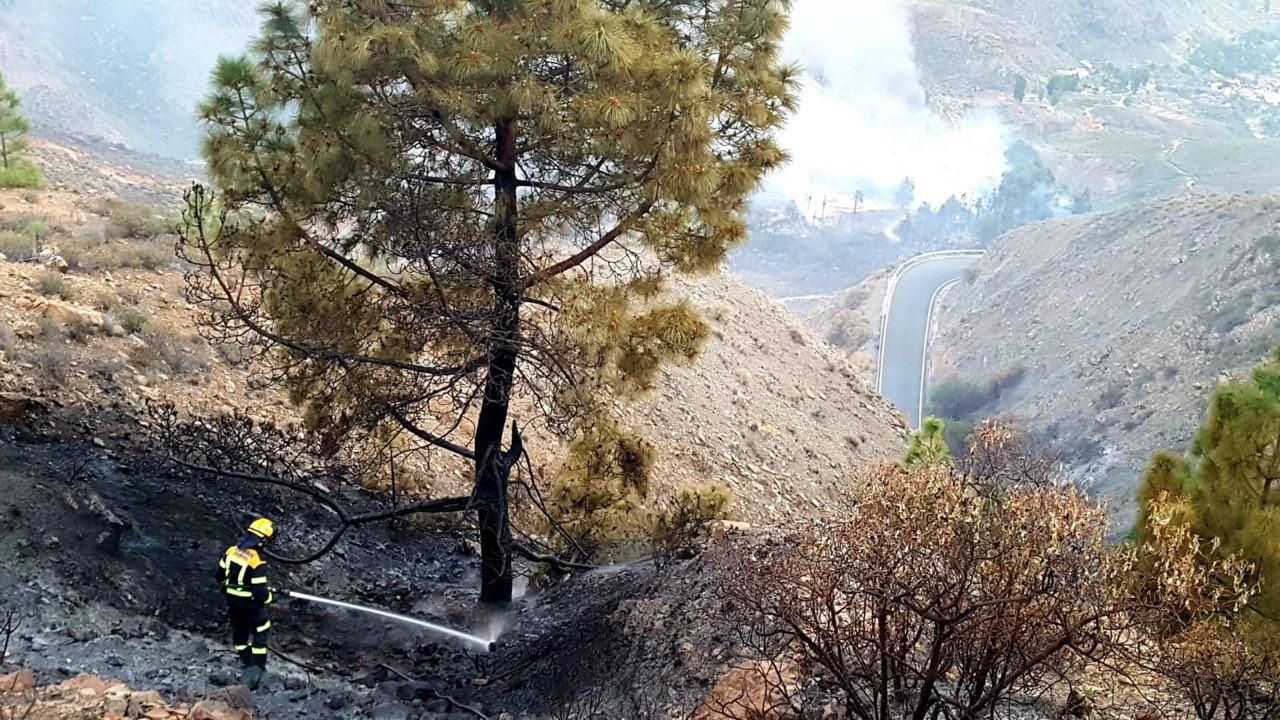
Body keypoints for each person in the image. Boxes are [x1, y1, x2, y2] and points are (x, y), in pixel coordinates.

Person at [214, 517, 285, 689]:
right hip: (250, 604)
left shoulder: (231, 551)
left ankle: (245, 660)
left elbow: (219, 576)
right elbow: (260, 594)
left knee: (239, 630)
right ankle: (257, 666)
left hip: (232, 601)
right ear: (262, 541)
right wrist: (273, 597)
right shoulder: (257, 561)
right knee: (261, 628)